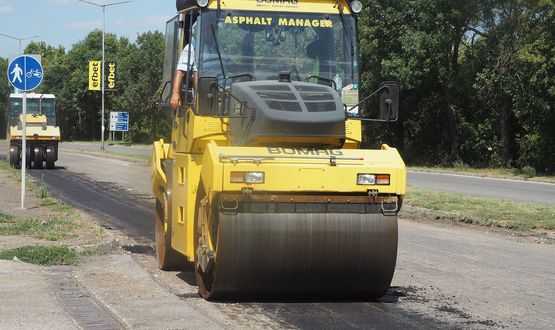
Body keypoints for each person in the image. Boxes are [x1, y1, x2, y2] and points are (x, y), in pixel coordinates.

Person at [170, 42, 198, 111]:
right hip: (204, 89)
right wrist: (175, 94)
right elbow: (180, 71)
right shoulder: (192, 47)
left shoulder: (218, 47)